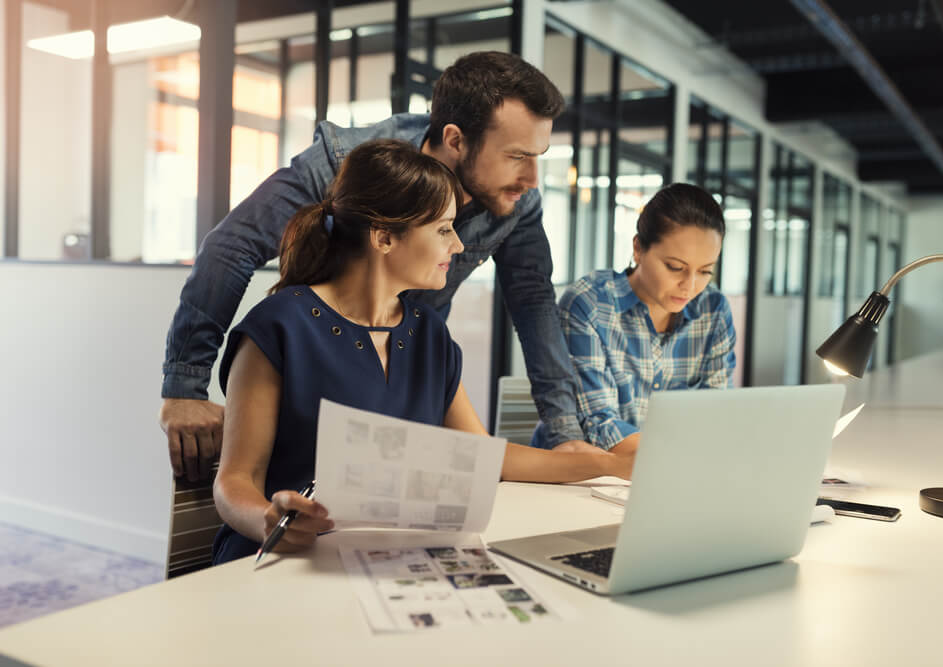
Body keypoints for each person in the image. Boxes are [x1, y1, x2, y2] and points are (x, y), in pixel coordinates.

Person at [160, 51, 593, 482]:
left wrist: (563, 432)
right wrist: (185, 386)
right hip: (321, 381)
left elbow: (534, 302)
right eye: (518, 156)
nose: (533, 180)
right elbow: (232, 247)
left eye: (539, 156)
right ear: (456, 139)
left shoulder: (515, 204)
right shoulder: (348, 162)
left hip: (408, 380)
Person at [212, 140, 635, 564]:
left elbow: (486, 457)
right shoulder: (277, 326)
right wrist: (268, 519)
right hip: (282, 563)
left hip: (388, 560)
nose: (458, 246)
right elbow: (235, 481)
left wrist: (609, 465)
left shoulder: (430, 334)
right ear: (383, 237)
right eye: (443, 229)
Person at [546, 183, 736, 455]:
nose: (690, 285)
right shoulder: (589, 305)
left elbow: (717, 412)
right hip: (585, 477)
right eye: (675, 267)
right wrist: (682, 457)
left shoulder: (713, 310)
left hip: (674, 471)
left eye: (705, 271)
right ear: (638, 249)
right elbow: (600, 425)